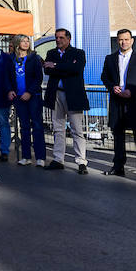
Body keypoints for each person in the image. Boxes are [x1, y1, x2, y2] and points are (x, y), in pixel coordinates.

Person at [101, 29, 136, 181]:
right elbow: (104, 77)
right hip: (117, 101)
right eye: (120, 40)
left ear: (132, 40)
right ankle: (118, 166)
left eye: (126, 39)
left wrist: (134, 91)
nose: (123, 42)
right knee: (118, 135)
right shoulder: (110, 59)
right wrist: (112, 87)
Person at [42, 29, 88, 174]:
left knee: (77, 130)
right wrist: (64, 67)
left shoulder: (78, 53)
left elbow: (76, 68)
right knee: (58, 128)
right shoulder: (51, 53)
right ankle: (58, 159)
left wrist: (56, 66)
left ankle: (81, 161)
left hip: (73, 95)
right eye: (56, 37)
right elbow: (47, 71)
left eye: (61, 37)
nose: (58, 40)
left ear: (68, 38)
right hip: (56, 94)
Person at [0, 35, 45, 166]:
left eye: (27, 41)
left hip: (33, 96)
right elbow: (6, 77)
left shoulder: (34, 58)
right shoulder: (11, 59)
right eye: (23, 41)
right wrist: (9, 90)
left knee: (37, 125)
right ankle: (26, 156)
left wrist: (30, 92)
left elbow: (38, 78)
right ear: (17, 43)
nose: (26, 43)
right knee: (24, 127)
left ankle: (40, 157)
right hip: (18, 97)